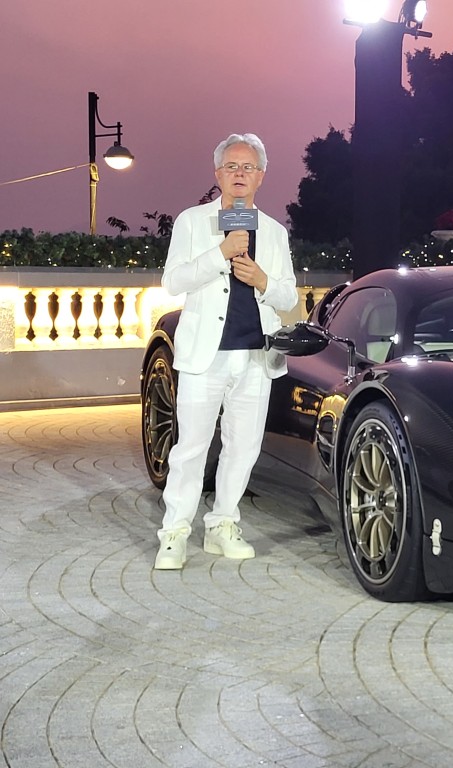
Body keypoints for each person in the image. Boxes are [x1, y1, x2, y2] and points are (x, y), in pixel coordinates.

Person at [154, 133, 297, 570]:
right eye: (232, 166)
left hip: (255, 357)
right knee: (191, 448)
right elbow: (172, 282)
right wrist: (221, 253)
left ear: (261, 176)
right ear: (218, 174)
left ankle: (222, 525)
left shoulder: (274, 232)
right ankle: (175, 532)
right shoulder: (193, 222)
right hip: (205, 355)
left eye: (248, 167)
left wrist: (262, 280)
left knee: (243, 447)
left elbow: (289, 296)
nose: (239, 173)